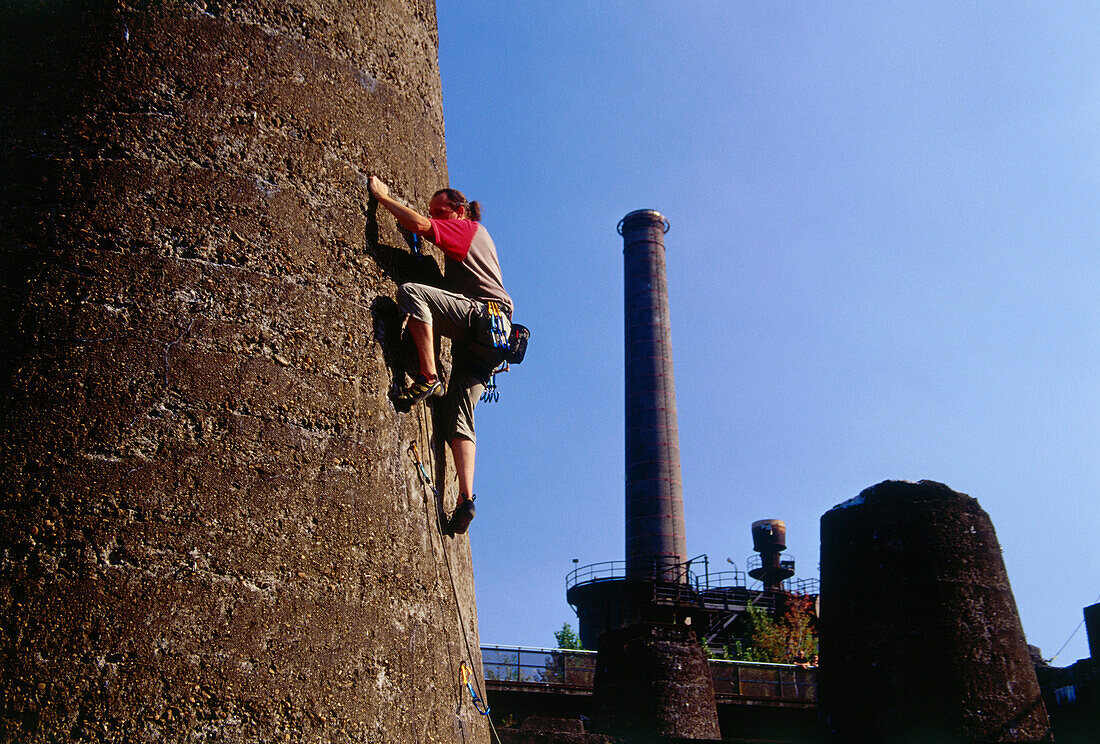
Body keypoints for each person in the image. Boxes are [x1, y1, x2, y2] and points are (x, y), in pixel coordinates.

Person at [367, 175, 513, 534]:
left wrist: (382, 199)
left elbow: (419, 224)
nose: (434, 216)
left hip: (480, 318)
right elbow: (424, 236)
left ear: (459, 211)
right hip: (495, 340)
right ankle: (465, 498)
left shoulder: (466, 229)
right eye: (433, 212)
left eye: (439, 211)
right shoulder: (478, 238)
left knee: (412, 293)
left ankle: (428, 375)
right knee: (459, 416)